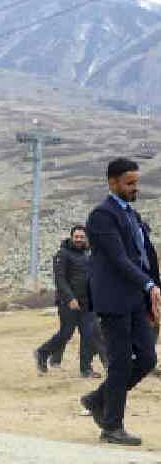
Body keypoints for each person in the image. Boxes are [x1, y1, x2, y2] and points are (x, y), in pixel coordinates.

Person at [80, 158, 160, 446]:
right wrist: (147, 284)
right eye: (129, 183)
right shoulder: (102, 216)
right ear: (112, 182)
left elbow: (145, 256)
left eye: (136, 182)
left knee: (147, 358)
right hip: (113, 299)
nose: (135, 188)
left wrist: (153, 289)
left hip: (136, 299)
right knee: (120, 363)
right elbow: (119, 259)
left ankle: (97, 399)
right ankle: (112, 426)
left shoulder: (132, 215)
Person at [35, 226, 107, 378]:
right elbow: (60, 280)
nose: (79, 239)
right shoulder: (63, 254)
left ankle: (86, 369)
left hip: (87, 303)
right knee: (66, 333)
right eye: (77, 237)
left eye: (82, 237)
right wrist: (70, 298)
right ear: (71, 237)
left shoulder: (87, 254)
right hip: (68, 303)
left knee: (88, 335)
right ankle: (42, 352)